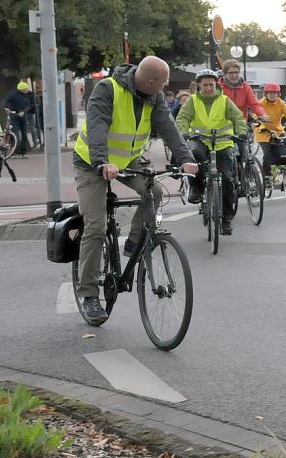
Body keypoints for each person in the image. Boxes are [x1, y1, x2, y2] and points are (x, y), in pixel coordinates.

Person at [72, 56, 199, 321]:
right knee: (95, 227)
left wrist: (185, 158)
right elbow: (96, 127)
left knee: (154, 192)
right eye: (163, 83)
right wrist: (101, 161)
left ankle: (133, 242)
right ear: (151, 81)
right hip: (92, 162)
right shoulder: (107, 89)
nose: (165, 89)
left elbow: (169, 128)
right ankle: (89, 295)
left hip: (127, 159)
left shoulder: (154, 97)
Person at [177, 69, 247, 236]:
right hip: (200, 141)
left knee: (227, 179)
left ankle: (227, 219)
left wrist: (241, 131)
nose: (208, 88)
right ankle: (196, 186)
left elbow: (238, 118)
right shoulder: (192, 101)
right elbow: (182, 118)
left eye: (211, 84)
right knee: (193, 156)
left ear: (216, 85)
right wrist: (183, 132)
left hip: (222, 143)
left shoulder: (224, 100)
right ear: (199, 86)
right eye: (205, 85)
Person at [255, 82, 286, 179]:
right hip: (263, 133)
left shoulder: (281, 103)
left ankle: (283, 165)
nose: (272, 95)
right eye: (270, 93)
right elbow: (256, 118)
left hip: (277, 131)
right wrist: (263, 128)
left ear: (278, 94)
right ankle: (267, 176)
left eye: (274, 93)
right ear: (265, 94)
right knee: (267, 154)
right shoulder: (260, 103)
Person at [3, 82, 33, 156]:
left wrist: (23, 112)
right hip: (14, 115)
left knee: (24, 134)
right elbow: (6, 100)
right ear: (22, 89)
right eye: (26, 88)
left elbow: (28, 105)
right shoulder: (13, 94)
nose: (27, 90)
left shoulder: (26, 95)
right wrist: (5, 107)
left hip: (23, 116)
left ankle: (23, 151)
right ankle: (16, 150)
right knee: (16, 133)